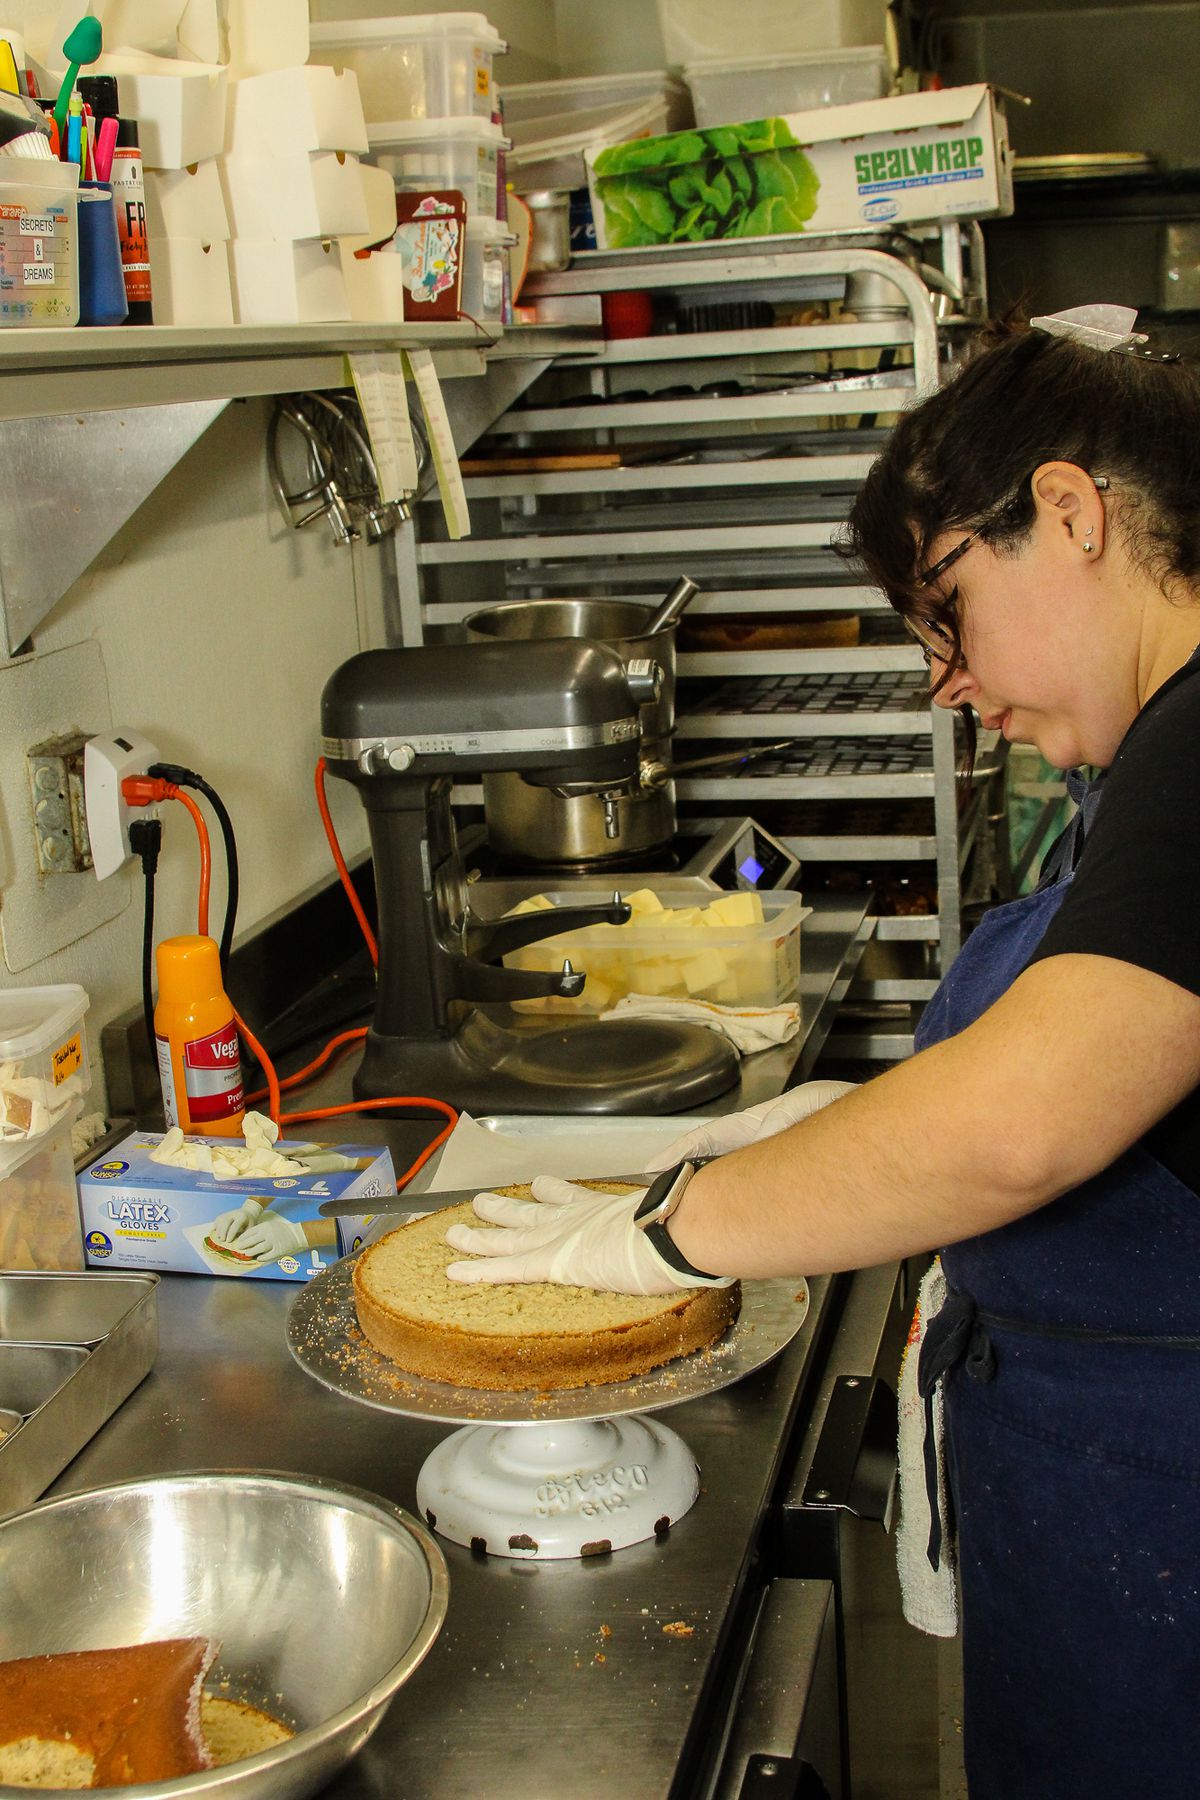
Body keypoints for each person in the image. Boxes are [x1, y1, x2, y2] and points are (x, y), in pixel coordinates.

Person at [444, 308, 1200, 1799]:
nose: (946, 682)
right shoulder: (1157, 747)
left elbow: (1024, 1126)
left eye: (948, 610)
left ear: (1069, 514)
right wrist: (847, 1123)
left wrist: (667, 1237)